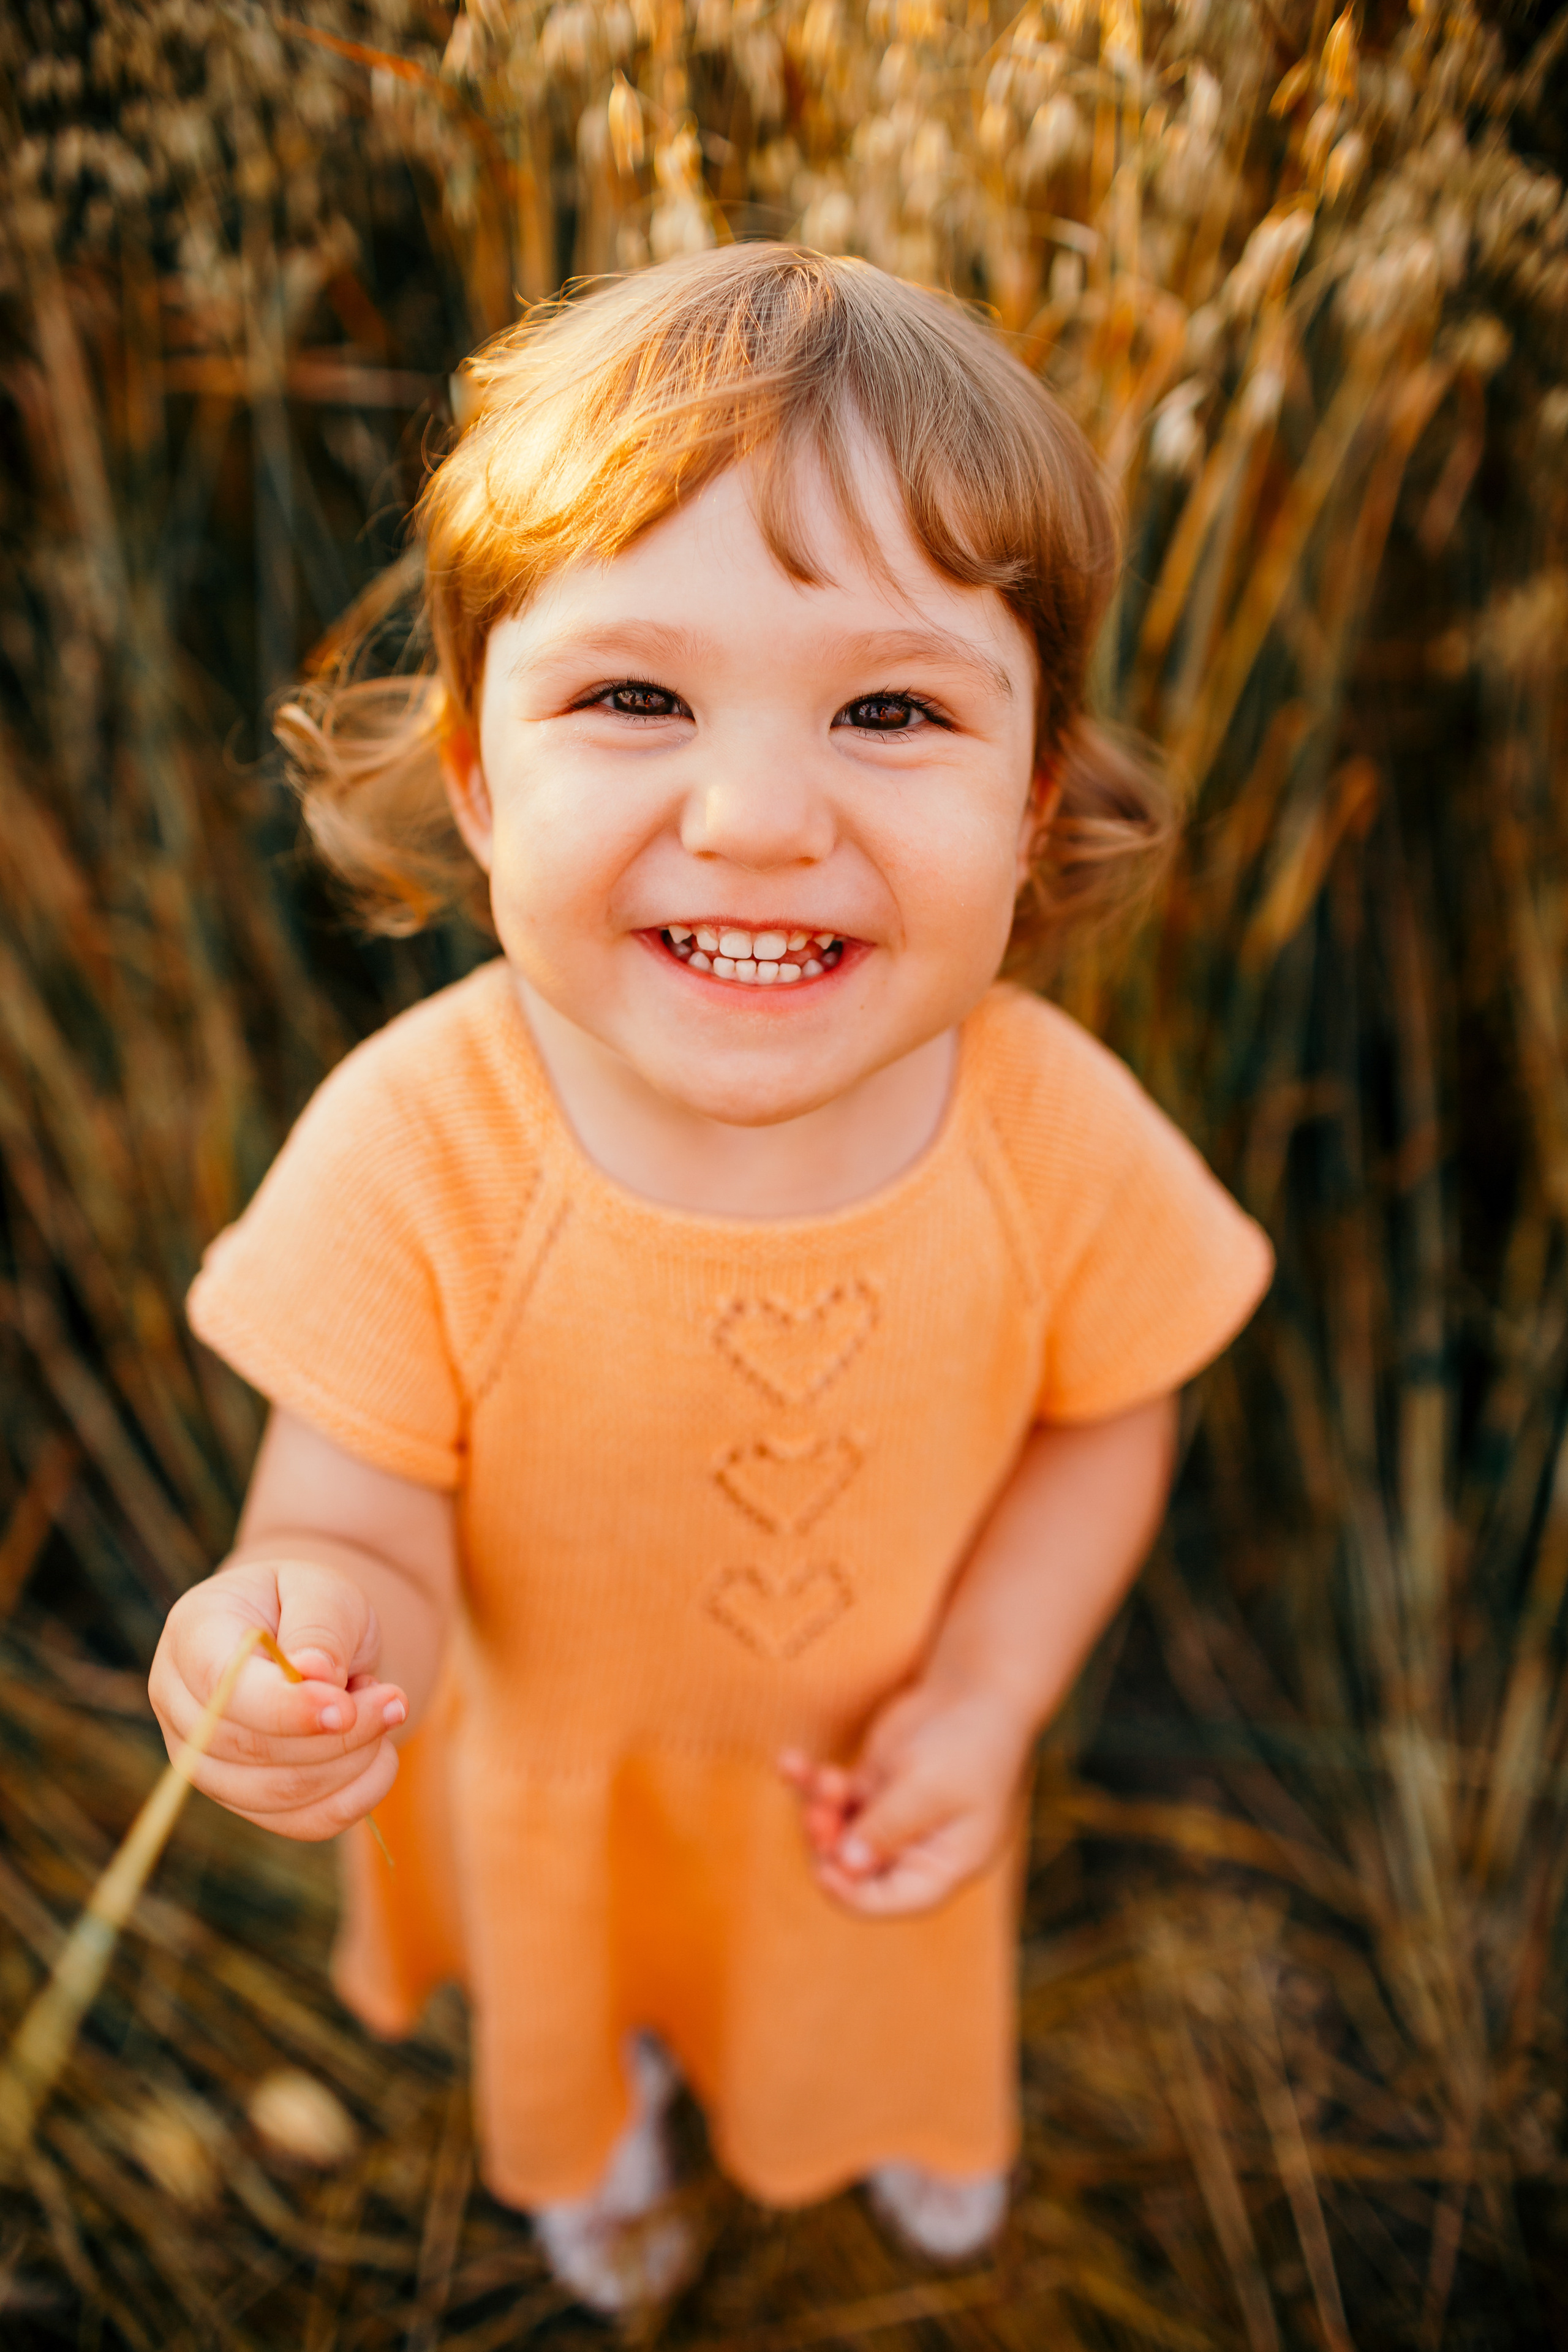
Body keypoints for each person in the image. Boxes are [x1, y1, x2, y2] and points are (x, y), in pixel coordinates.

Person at [148, 244, 1272, 2312]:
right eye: (635, 697)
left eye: (892, 710)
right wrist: (297, 1633)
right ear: (483, 776)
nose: (756, 816)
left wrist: (990, 1694)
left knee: (872, 1973)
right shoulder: (423, 1147)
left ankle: (900, 2123)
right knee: (583, 2001)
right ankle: (602, 2143)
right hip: (556, 1773)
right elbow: (346, 1510)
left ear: (1030, 802)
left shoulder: (1044, 1122)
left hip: (877, 1759)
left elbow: (1114, 1409)